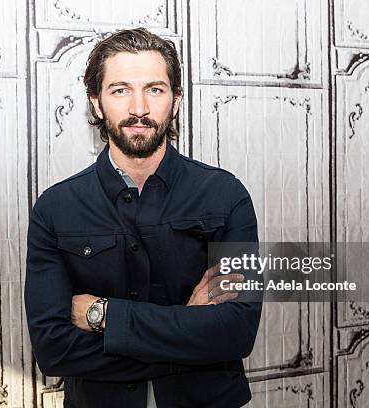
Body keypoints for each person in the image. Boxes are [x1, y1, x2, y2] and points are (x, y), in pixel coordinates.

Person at [25, 27, 262, 408]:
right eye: (120, 90)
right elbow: (54, 350)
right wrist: (187, 332)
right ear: (96, 103)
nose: (139, 107)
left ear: (176, 100)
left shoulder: (226, 195)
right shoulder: (55, 208)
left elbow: (236, 333)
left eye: (155, 89)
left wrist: (104, 315)